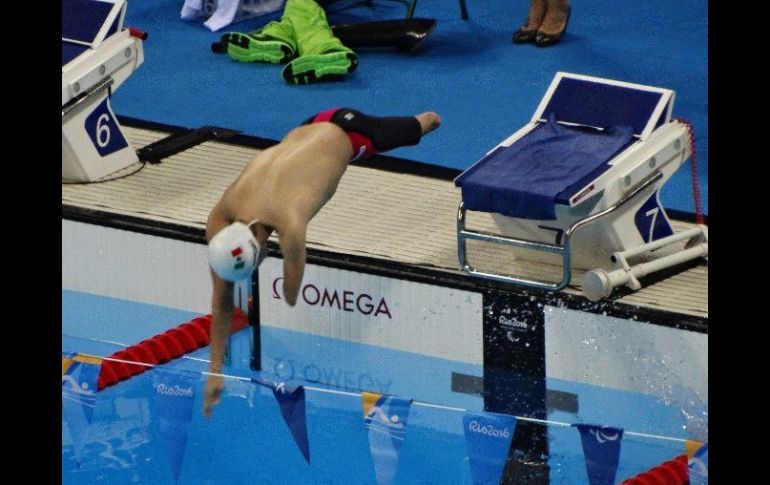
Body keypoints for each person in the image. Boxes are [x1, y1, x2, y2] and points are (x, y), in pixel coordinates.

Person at [202, 108, 441, 417]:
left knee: (428, 123)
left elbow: (291, 294)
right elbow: (221, 301)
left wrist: (288, 260)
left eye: (257, 262)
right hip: (310, 126)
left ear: (258, 243)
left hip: (351, 134)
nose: (258, 267)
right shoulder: (222, 215)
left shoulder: (290, 218)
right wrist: (214, 370)